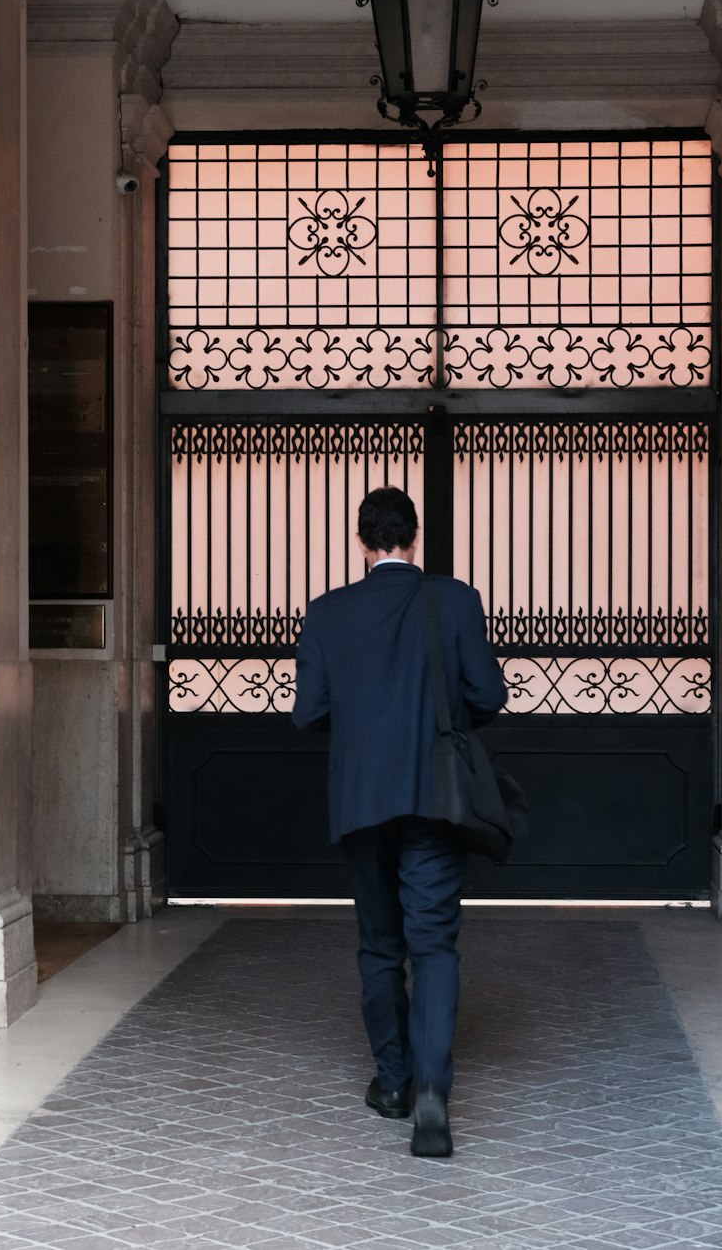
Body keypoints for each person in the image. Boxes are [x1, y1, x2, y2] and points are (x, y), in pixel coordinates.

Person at [291, 486, 507, 1158]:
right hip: (436, 799)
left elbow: (307, 712)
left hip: (360, 800)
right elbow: (489, 694)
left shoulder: (327, 614)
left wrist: (364, 727)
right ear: (414, 537)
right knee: (435, 945)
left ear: (362, 542)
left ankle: (392, 1083)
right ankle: (434, 1097)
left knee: (381, 945)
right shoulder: (456, 600)